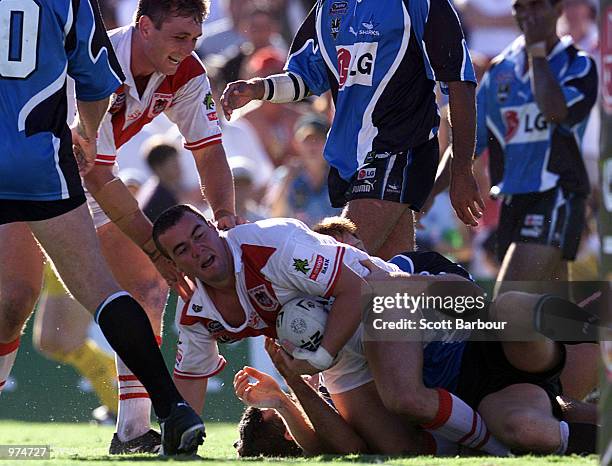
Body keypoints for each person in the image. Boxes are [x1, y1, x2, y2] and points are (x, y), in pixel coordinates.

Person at [1, 0, 240, 454]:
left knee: (148, 289)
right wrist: (154, 246)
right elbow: (95, 169)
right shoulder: (98, 61)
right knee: (14, 302)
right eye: (179, 37)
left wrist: (225, 213)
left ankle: (133, 430)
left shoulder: (186, 71)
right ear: (144, 26)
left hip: (82, 181)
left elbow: (208, 149)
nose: (188, 49)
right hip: (41, 174)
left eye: (194, 39)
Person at [152, 205, 509, 454]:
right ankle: (471, 434)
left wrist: (319, 358)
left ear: (216, 229)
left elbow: (355, 289)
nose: (197, 250)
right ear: (173, 264)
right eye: (182, 250)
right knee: (398, 448)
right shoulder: (195, 313)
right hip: (332, 344)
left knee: (407, 397)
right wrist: (180, 443)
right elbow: (189, 390)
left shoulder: (270, 242)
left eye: (199, 234)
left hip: (377, 297)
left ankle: (502, 451)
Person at [233, 217, 600, 456]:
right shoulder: (335, 346)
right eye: (330, 254)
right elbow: (376, 442)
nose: (342, 258)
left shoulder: (405, 267)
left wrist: (387, 285)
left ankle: (594, 321)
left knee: (512, 311)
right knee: (530, 428)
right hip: (493, 398)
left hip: (500, 346)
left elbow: (474, 304)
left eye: (344, 247)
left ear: (358, 244)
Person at [220, 0, 485, 260]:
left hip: (398, 148)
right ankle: (458, 298)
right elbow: (304, 78)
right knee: (386, 281)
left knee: (336, 261)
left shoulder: (419, 3)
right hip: (349, 157)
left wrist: (461, 169)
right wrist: (259, 88)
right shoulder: (327, 7)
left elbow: (459, 80)